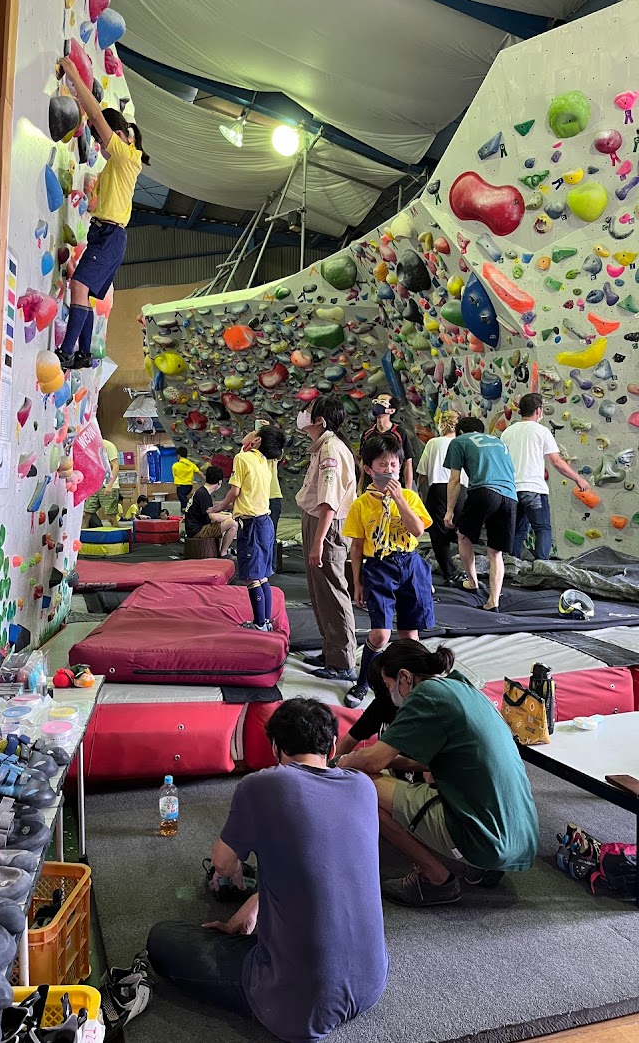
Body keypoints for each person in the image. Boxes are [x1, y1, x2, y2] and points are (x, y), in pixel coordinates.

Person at [147, 698, 389, 1042]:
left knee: (162, 938)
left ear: (275, 747)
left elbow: (224, 864)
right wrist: (250, 912)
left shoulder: (261, 785)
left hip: (298, 1007)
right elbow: (316, 868)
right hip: (372, 982)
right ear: (333, 745)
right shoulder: (363, 786)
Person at [337, 640, 539, 907]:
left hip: (485, 839)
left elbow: (373, 761)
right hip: (521, 835)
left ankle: (435, 880)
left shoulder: (426, 695)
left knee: (361, 787)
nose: (390, 696)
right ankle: (482, 865)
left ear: (405, 678)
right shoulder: (463, 687)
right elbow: (441, 762)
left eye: (388, 687)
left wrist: (339, 763)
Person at [55, 57, 149, 370]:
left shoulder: (124, 155)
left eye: (101, 139)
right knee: (87, 293)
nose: (100, 146)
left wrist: (74, 79)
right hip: (106, 235)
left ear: (119, 133)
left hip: (110, 236)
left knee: (79, 287)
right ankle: (82, 352)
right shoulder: (119, 165)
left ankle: (67, 352)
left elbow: (95, 115)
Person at [342, 433, 433, 710]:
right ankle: (364, 681)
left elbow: (418, 530)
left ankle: (413, 686)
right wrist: (357, 582)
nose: (389, 469)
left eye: (393, 464)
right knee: (380, 634)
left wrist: (399, 499)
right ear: (368, 469)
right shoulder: (360, 504)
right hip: (378, 567)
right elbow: (356, 547)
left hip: (410, 564)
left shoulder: (408, 496)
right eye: (383, 465)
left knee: (410, 635)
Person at [295, 396, 358, 683]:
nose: (303, 415)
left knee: (332, 591)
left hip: (327, 525)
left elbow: (330, 502)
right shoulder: (323, 447)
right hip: (318, 521)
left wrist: (319, 541)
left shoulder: (331, 449)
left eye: (309, 412)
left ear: (320, 421)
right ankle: (331, 650)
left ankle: (343, 661)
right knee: (319, 591)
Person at [500, 393, 591, 561]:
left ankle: (512, 567)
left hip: (512, 490)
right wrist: (578, 478)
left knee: (518, 531)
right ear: (539, 410)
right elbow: (556, 461)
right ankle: (542, 567)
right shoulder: (541, 431)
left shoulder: (507, 432)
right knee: (542, 528)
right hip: (533, 489)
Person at [214, 426, 286, 631]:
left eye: (254, 434)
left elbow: (235, 491)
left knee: (252, 577)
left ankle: (260, 623)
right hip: (265, 522)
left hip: (251, 524)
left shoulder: (242, 458)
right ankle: (266, 621)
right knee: (262, 574)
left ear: (256, 442)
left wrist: (220, 505)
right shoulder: (264, 460)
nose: (249, 435)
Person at [444, 417, 517, 613]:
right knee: (495, 552)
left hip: (484, 491)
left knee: (463, 535)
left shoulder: (459, 441)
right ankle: (493, 600)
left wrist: (450, 511)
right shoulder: (498, 442)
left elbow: (454, 479)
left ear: (460, 432)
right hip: (510, 495)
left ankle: (472, 582)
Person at [416, 410, 468, 586]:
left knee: (439, 534)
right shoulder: (463, 442)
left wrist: (417, 491)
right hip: (461, 489)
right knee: (463, 532)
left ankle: (449, 572)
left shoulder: (433, 443)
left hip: (438, 488)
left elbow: (422, 472)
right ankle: (470, 571)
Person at [361, 394, 418, 490]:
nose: (378, 404)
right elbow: (363, 461)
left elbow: (407, 463)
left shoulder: (400, 433)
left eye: (383, 402)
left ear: (391, 410)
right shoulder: (367, 433)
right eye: (377, 401)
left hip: (393, 485)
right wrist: (359, 486)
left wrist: (408, 489)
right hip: (371, 485)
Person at [184, 465, 238, 557]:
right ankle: (223, 553)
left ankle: (221, 550)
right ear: (220, 482)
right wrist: (232, 516)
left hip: (194, 528)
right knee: (233, 524)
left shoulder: (202, 492)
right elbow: (214, 517)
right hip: (197, 531)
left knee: (225, 520)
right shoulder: (204, 495)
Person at [83, 437, 120, 527]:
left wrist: (110, 485)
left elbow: (115, 466)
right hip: (95, 485)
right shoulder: (89, 447)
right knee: (86, 514)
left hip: (108, 484)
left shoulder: (108, 446)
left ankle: (122, 539)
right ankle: (82, 538)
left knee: (111, 517)